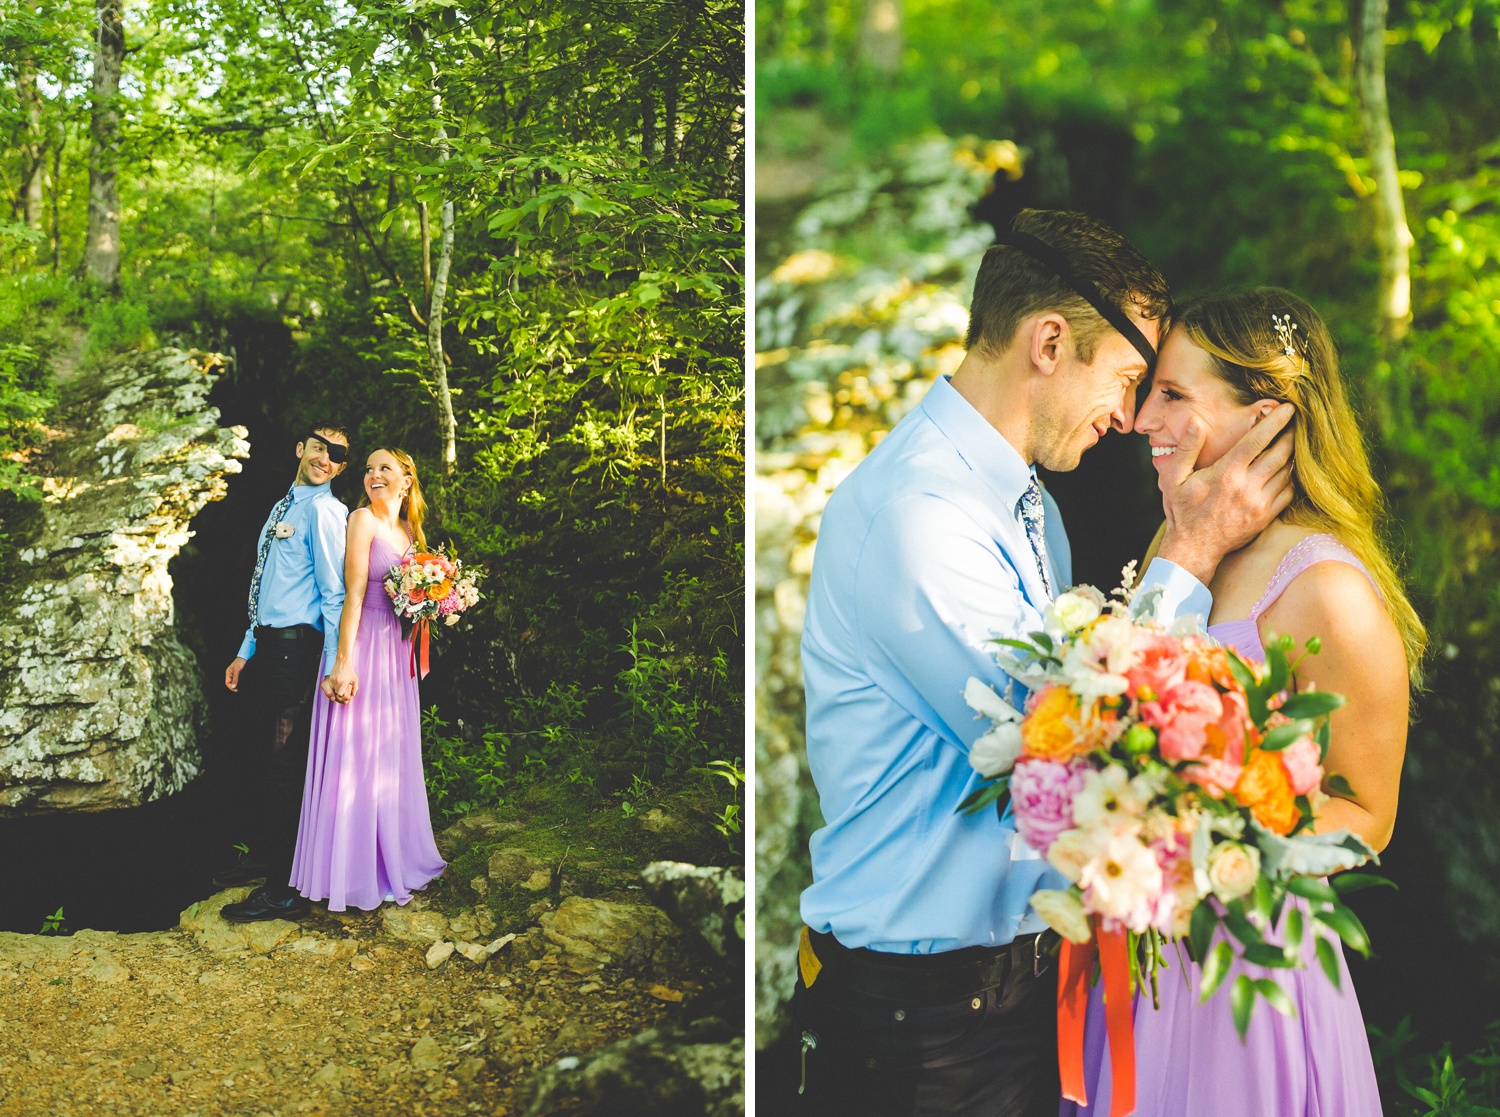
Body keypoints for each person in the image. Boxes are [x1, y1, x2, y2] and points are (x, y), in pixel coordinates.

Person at [792, 208, 1296, 1117]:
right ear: (1051, 341)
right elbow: (1065, 740)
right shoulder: (920, 515)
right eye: (1132, 379)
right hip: (917, 1035)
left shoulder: (1029, 505)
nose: (1136, 416)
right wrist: (1189, 550)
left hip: (1010, 1001)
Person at [1061, 288, 1422, 1116]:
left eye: (1175, 396)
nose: (1142, 417)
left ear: (1266, 419)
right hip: (1140, 957)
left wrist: (1218, 846)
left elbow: (1369, 813)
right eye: (1150, 389)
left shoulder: (1328, 591)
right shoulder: (1177, 540)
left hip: (1247, 973)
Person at [289, 447, 446, 911]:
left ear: (406, 480)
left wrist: (433, 601)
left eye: (385, 469)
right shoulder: (362, 520)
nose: (374, 475)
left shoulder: (410, 531)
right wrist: (342, 661)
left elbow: (412, 594)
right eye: (370, 469)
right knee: (353, 754)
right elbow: (352, 595)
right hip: (363, 647)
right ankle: (349, 873)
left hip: (397, 654)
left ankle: (394, 856)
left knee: (389, 755)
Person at [219, 427, 351, 924]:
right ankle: (274, 862)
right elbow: (266, 584)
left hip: (299, 648)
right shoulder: (284, 506)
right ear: (300, 448)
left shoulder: (324, 512)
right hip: (270, 646)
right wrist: (244, 650)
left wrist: (338, 661)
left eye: (336, 455)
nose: (325, 458)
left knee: (281, 766)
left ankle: (282, 889)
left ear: (340, 468)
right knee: (261, 758)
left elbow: (333, 595)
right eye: (318, 447)